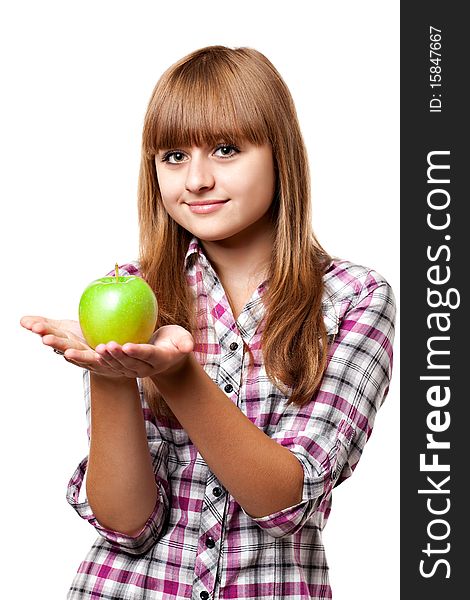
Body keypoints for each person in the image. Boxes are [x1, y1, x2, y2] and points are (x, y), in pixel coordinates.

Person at [20, 45, 396, 600]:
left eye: (225, 149)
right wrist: (110, 371)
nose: (195, 179)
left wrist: (177, 374)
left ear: (280, 154)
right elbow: (128, 525)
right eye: (173, 155)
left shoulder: (353, 300)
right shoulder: (133, 291)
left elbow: (284, 503)